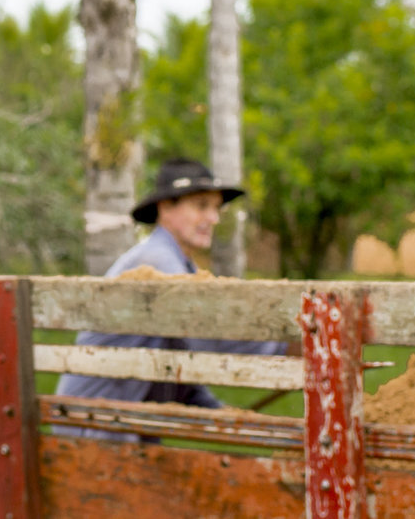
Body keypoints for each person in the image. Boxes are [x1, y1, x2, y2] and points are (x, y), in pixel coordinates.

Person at [53, 157, 285, 440]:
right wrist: (287, 345)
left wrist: (216, 412)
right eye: (201, 206)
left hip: (120, 424)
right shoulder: (156, 261)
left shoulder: (177, 265)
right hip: (93, 430)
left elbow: (175, 354)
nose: (213, 218)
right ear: (165, 208)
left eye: (215, 208)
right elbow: (211, 331)